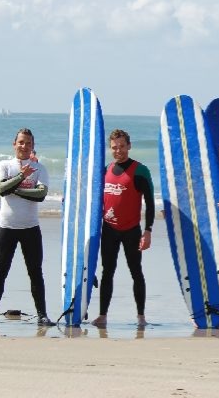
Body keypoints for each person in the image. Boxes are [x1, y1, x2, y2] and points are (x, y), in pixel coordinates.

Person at [0, 128, 54, 326]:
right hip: (7, 227)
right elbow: (1, 189)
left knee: (35, 272)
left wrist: (14, 188)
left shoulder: (40, 169)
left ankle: (42, 315)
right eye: (21, 142)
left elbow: (40, 195)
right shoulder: (3, 165)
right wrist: (21, 178)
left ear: (33, 146)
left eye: (28, 143)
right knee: (0, 272)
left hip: (31, 228)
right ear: (14, 144)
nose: (24, 146)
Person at [91, 129, 155, 328]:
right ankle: (102, 315)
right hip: (109, 229)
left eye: (121, 146)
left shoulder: (140, 170)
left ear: (129, 146)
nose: (118, 150)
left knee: (136, 271)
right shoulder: (105, 171)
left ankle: (141, 316)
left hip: (131, 230)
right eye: (114, 147)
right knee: (107, 272)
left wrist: (148, 230)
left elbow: (150, 203)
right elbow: (92, 199)